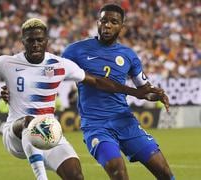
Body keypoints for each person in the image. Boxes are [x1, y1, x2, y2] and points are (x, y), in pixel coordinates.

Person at [0, 18, 166, 180]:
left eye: (40, 40)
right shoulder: (6, 63)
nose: (36, 44)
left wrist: (136, 92)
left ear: (47, 41)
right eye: (31, 41)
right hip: (15, 133)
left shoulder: (61, 65)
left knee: (75, 174)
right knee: (29, 120)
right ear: (23, 41)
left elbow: (98, 82)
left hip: (49, 132)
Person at [61, 4, 174, 180]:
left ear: (122, 26)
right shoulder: (75, 51)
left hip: (125, 121)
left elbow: (144, 90)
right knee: (118, 172)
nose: (107, 25)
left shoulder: (128, 55)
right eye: (104, 20)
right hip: (96, 125)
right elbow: (51, 74)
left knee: (165, 172)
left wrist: (155, 95)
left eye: (114, 22)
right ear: (98, 22)